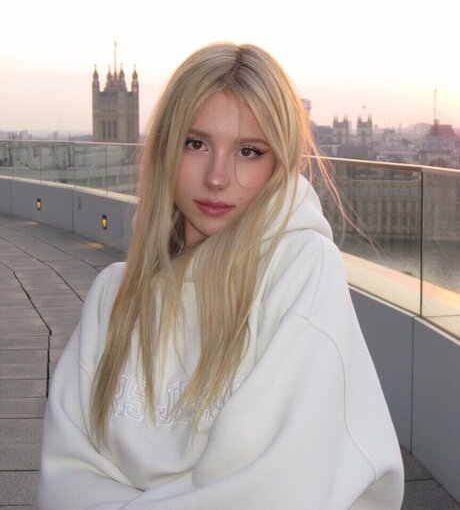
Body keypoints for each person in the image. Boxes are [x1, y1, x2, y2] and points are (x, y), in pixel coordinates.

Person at [38, 43, 404, 509]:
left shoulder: (301, 270)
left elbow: (277, 491)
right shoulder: (112, 296)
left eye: (248, 151)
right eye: (196, 144)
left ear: (279, 164)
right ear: (165, 148)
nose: (216, 177)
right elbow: (61, 485)